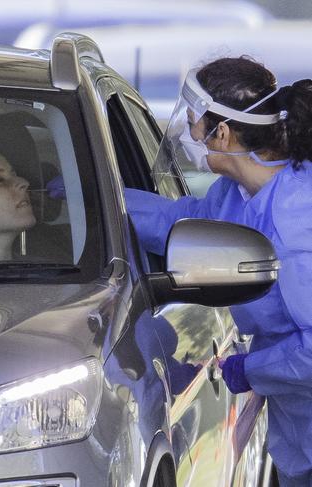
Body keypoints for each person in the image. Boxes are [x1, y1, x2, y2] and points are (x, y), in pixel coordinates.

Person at [125, 56, 312, 485]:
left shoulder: (296, 221)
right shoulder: (236, 193)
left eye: (193, 120)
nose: (189, 133)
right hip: (297, 416)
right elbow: (185, 225)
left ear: (221, 133)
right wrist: (104, 204)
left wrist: (254, 369)